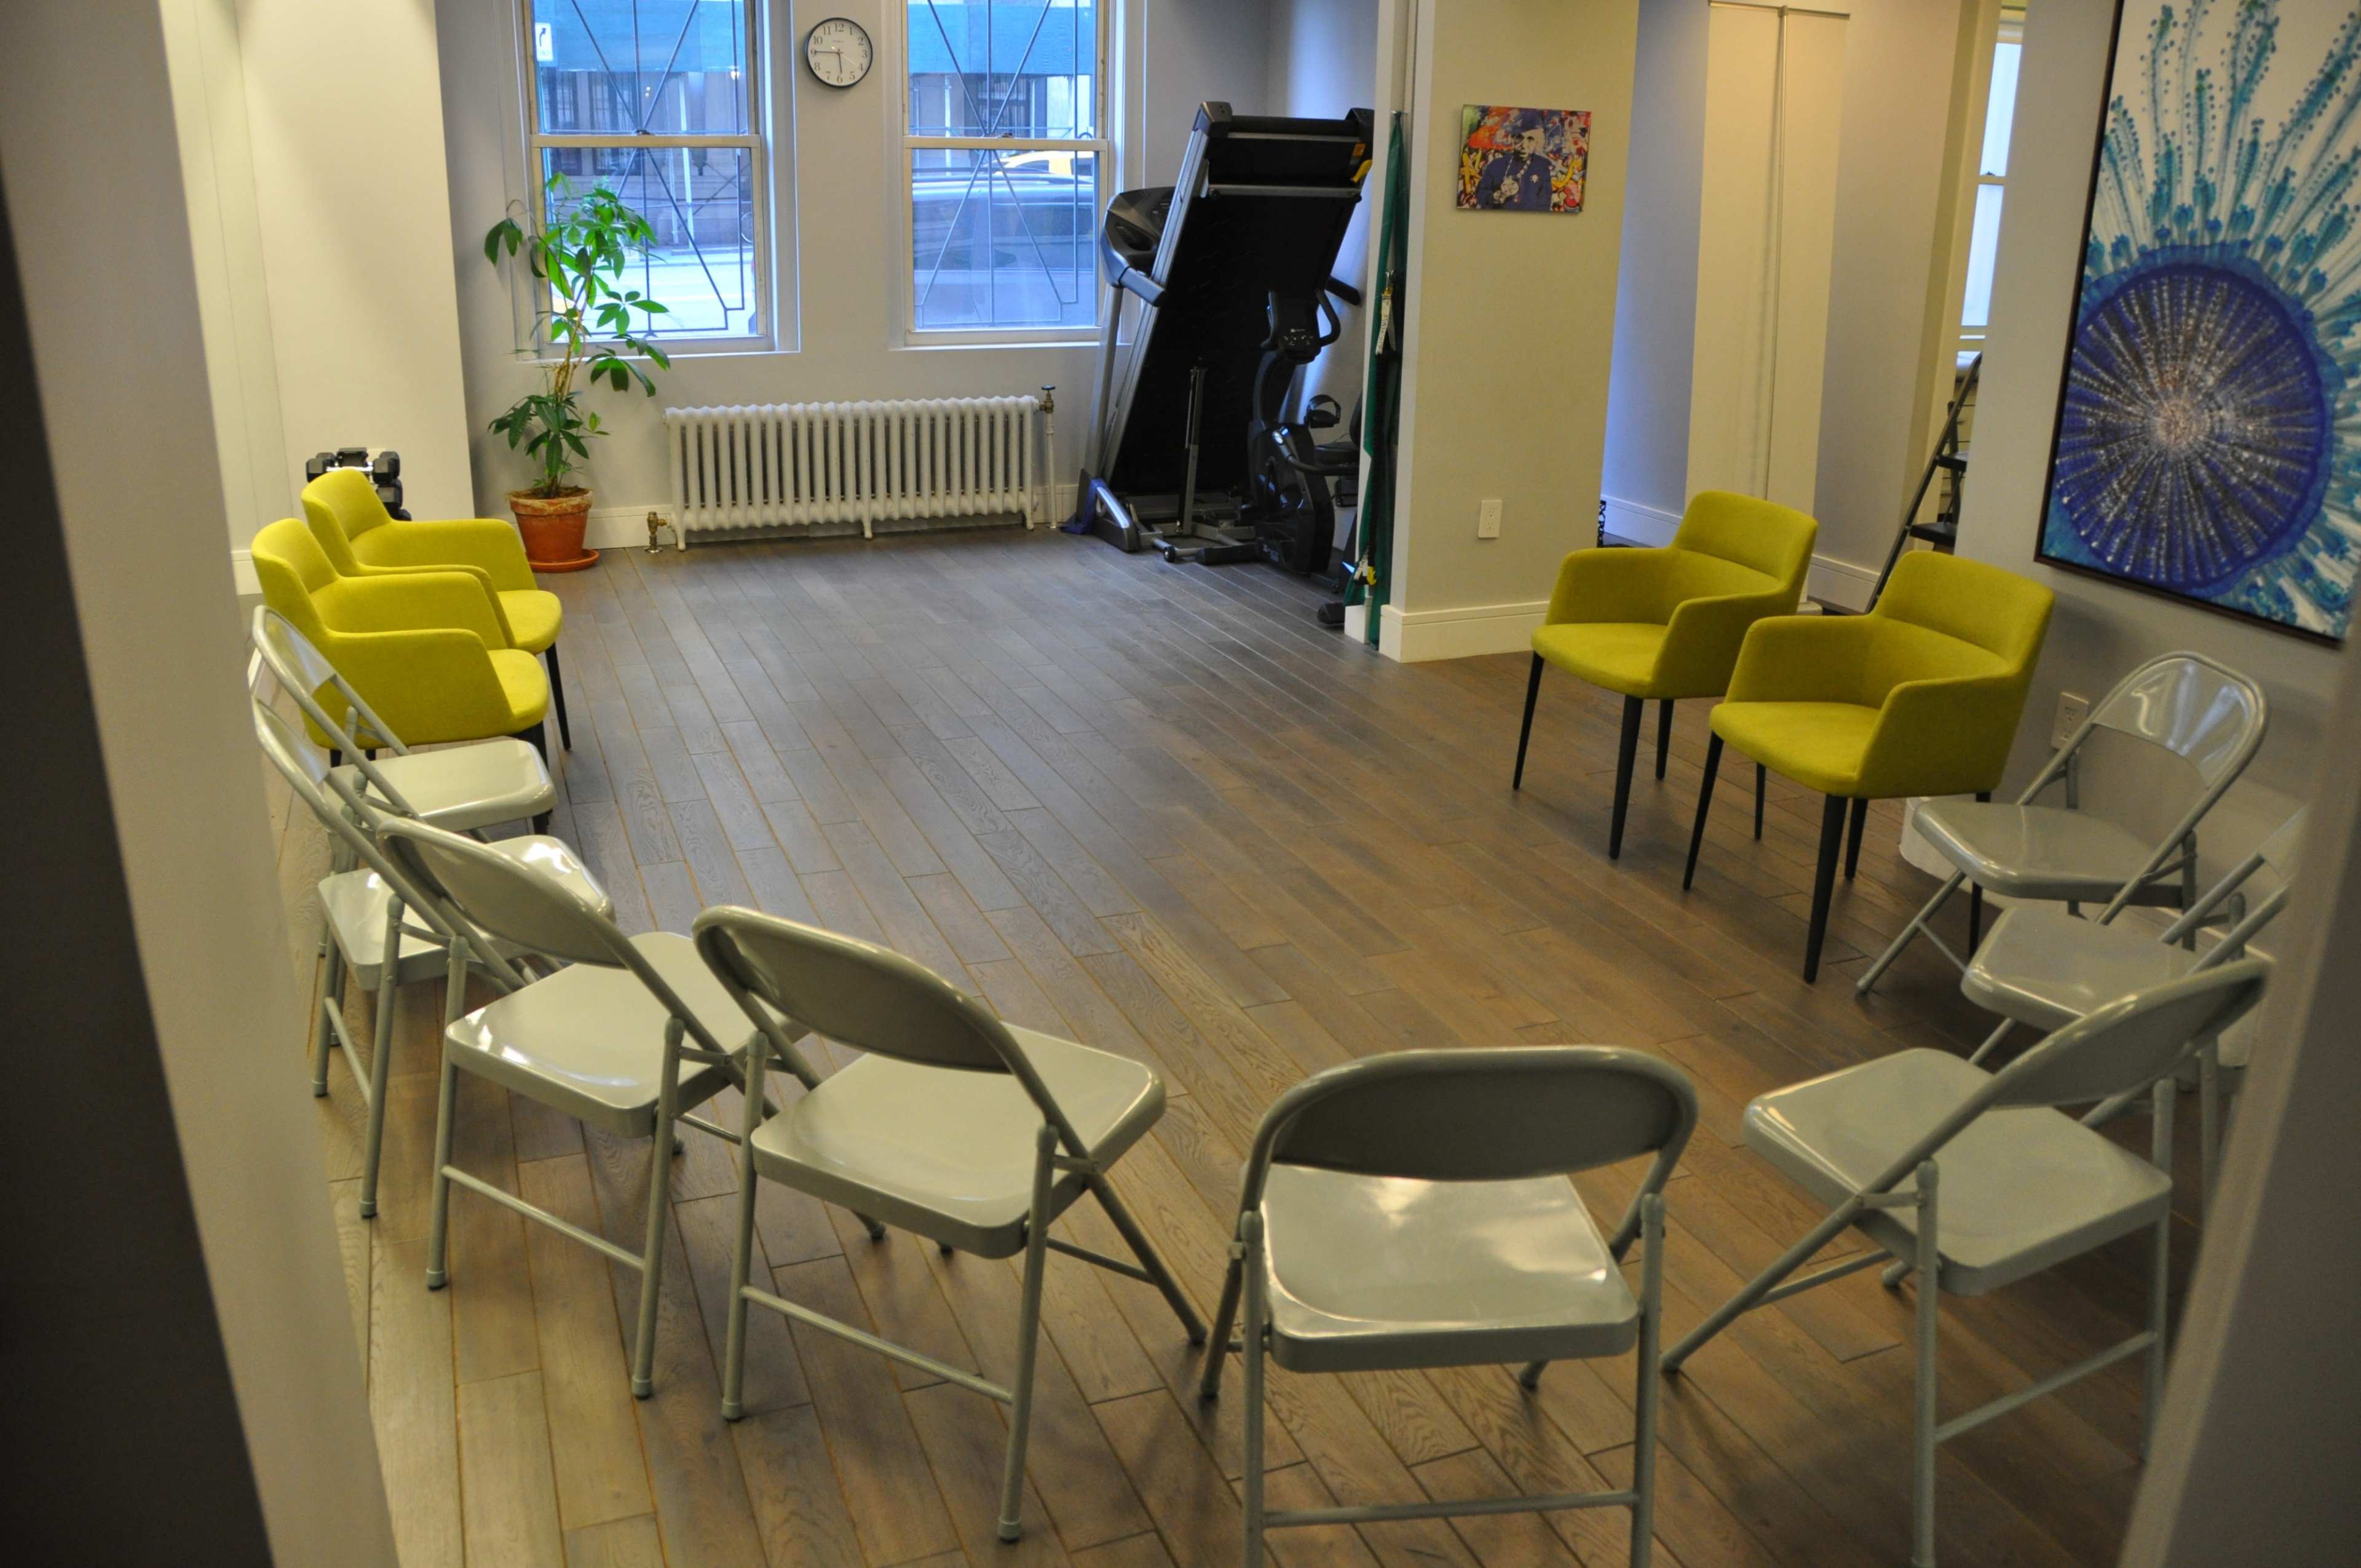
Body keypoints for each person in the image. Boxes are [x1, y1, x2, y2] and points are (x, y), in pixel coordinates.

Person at [1472, 111, 1560, 211]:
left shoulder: (1542, 168)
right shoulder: (1496, 165)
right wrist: (1493, 197)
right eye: (1519, 138)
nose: (1524, 145)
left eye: (1530, 139)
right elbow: (1481, 193)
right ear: (1512, 138)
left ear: (1537, 142)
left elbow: (1544, 207)